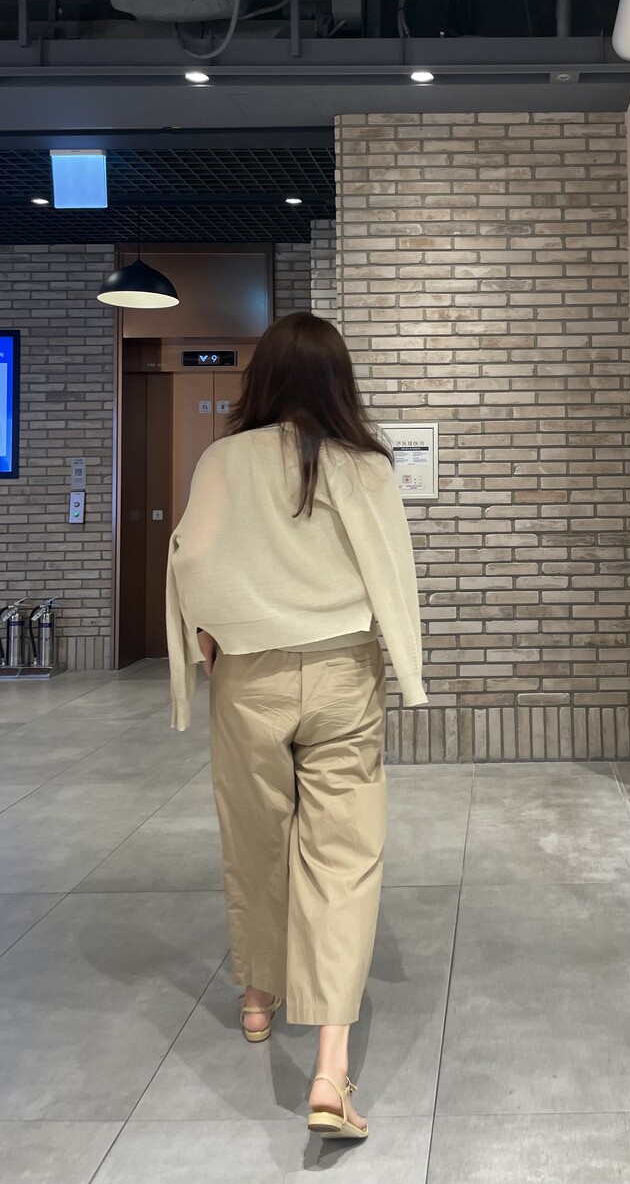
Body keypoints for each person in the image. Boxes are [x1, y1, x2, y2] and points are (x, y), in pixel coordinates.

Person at [165, 311, 427, 1142]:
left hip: (250, 675)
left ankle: (258, 995)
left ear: (264, 379)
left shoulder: (223, 459)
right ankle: (329, 1069)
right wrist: (408, 665)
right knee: (343, 855)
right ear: (340, 382)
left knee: (256, 836)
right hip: (343, 669)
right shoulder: (366, 465)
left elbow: (191, 556)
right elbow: (392, 569)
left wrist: (207, 632)